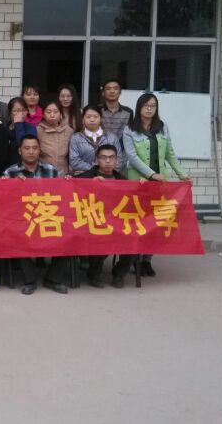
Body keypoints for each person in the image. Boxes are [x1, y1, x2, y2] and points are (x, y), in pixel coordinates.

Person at [123, 93, 191, 277]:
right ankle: (135, 259)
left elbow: (170, 153)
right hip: (138, 181)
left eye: (152, 105)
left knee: (155, 221)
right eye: (146, 105)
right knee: (138, 221)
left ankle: (147, 259)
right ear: (139, 107)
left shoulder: (162, 127)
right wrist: (151, 174)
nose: (149, 109)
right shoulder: (130, 129)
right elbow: (132, 157)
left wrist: (182, 174)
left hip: (159, 182)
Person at [2, 135, 69, 295]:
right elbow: (3, 202)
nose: (31, 152)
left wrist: (68, 182)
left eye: (34, 148)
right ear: (20, 151)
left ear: (40, 150)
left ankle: (52, 279)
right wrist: (7, 184)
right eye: (27, 148)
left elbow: (63, 197)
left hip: (48, 218)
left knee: (70, 236)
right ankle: (30, 281)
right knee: (18, 236)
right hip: (23, 220)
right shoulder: (10, 172)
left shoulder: (51, 170)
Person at [74, 144, 128, 289]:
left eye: (111, 158)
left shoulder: (123, 181)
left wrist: (142, 186)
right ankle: (94, 274)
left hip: (117, 223)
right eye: (103, 158)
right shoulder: (86, 177)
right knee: (101, 235)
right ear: (97, 160)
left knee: (135, 238)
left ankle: (119, 273)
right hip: (92, 222)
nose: (108, 161)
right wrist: (89, 186)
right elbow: (70, 190)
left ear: (117, 160)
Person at [69, 105, 124, 176]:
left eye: (95, 117)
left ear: (101, 118)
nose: (92, 119)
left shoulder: (112, 138)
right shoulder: (76, 138)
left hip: (107, 178)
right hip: (84, 177)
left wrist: (104, 171)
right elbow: (74, 162)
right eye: (88, 117)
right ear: (83, 119)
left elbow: (119, 161)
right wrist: (95, 169)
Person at [37, 100, 74, 176]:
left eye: (55, 112)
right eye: (48, 112)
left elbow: (72, 155)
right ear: (43, 115)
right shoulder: (38, 130)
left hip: (64, 174)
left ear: (60, 114)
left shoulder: (69, 131)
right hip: (44, 173)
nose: (52, 115)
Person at [5, 97, 37, 167]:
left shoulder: (30, 128)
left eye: (24, 110)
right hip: (6, 168)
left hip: (24, 167)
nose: (21, 114)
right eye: (17, 111)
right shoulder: (4, 128)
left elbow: (22, 144)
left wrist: (18, 124)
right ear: (10, 112)